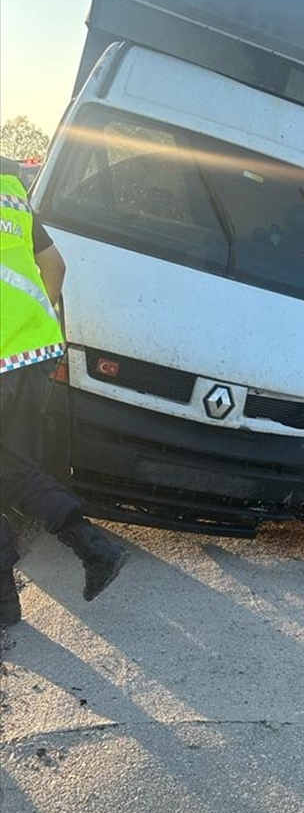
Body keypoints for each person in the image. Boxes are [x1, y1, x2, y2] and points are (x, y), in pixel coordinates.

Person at [1, 156, 128, 627]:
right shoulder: (10, 187)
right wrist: (33, 323)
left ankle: (4, 602)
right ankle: (96, 550)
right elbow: (54, 265)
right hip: (32, 351)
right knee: (15, 470)